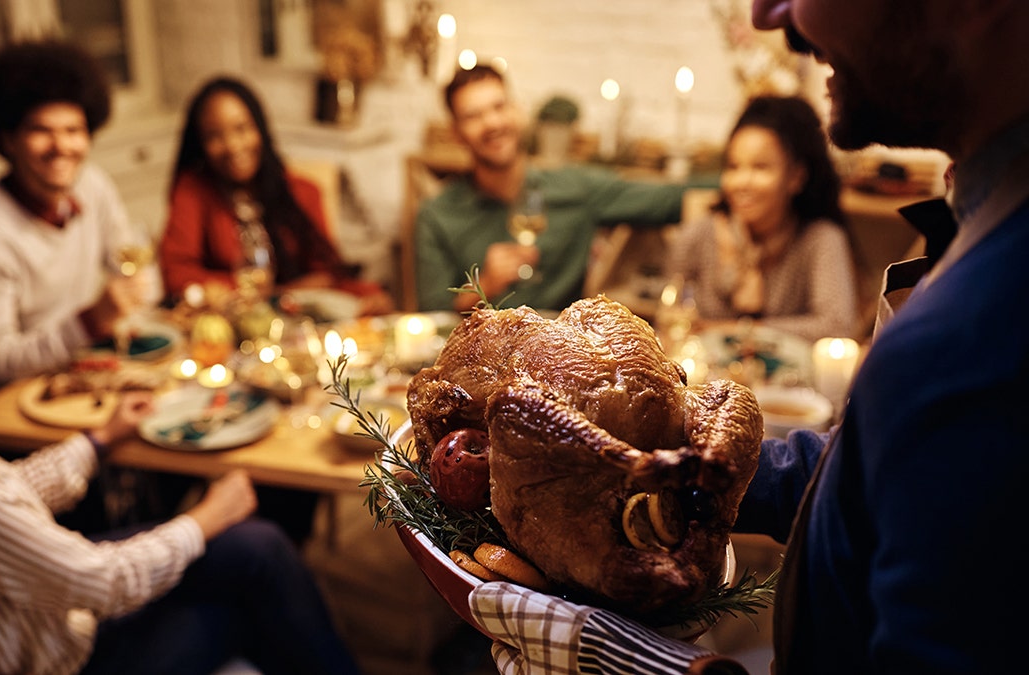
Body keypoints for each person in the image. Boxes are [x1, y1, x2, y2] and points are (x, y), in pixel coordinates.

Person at [466, 0, 1029, 673]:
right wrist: (676, 467)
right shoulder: (979, 235)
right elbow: (870, 478)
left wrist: (641, 661)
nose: (766, 14)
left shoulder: (971, 338)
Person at [0, 255, 360, 675]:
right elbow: (105, 582)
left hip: (49, 618)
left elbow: (7, 492)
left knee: (257, 546)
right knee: (258, 582)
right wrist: (209, 515)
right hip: (72, 657)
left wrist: (99, 440)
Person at [0, 40, 161, 393]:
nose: (61, 146)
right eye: (41, 131)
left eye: (74, 130)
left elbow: (135, 267)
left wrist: (134, 300)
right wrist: (91, 322)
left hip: (80, 375)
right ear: (8, 140)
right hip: (9, 405)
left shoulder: (93, 185)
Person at [414, 64, 693, 314]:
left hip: (561, 358)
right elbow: (431, 317)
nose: (493, 123)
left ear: (517, 111)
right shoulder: (437, 215)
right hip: (481, 358)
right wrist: (483, 286)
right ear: (456, 132)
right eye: (473, 116)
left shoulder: (574, 189)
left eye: (499, 107)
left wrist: (733, 178)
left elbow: (669, 198)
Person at [158, 76, 393, 315]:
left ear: (259, 128)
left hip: (297, 320)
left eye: (241, 128)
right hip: (226, 326)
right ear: (201, 144)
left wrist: (275, 294)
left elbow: (327, 274)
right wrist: (260, 293)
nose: (232, 145)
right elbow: (176, 273)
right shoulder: (193, 190)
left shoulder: (301, 191)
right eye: (214, 136)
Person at [666, 94, 857, 342]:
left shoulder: (820, 239)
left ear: (796, 177)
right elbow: (670, 316)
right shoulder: (699, 237)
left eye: (760, 168)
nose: (742, 182)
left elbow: (836, 327)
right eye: (734, 167)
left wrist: (735, 332)